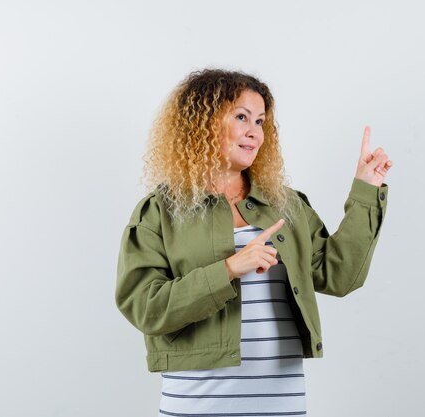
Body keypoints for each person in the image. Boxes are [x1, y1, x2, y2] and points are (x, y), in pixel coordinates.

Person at [115, 68, 392, 416]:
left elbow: (340, 276)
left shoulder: (285, 205)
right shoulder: (161, 211)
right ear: (201, 123)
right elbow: (144, 306)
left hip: (281, 405)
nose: (254, 133)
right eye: (241, 117)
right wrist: (229, 269)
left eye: (260, 121)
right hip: (197, 405)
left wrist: (366, 191)